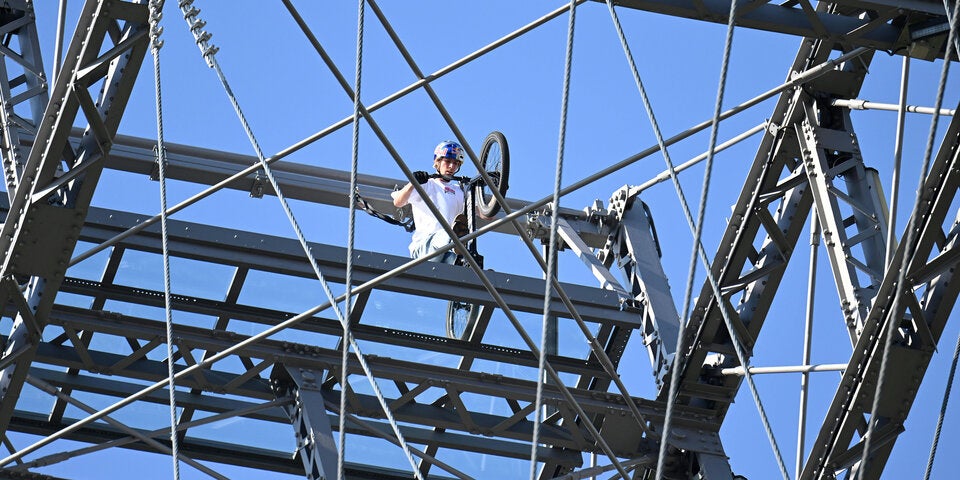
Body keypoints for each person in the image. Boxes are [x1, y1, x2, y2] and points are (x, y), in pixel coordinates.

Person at [392, 140, 468, 264]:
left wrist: (498, 187)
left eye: (455, 163)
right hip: (424, 247)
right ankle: (455, 238)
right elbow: (398, 202)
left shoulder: (460, 191)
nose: (451, 167)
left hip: (447, 251)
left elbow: (486, 214)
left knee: (461, 263)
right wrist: (413, 182)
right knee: (447, 234)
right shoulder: (427, 184)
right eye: (447, 161)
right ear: (437, 162)